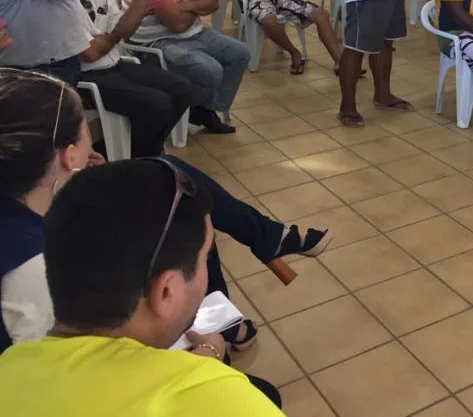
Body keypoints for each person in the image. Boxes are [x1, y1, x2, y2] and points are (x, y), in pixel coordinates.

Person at [0, 70, 329, 357]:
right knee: (179, 217)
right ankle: (250, 265)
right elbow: (76, 370)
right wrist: (206, 353)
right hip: (101, 375)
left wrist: (77, 179)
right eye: (87, 131)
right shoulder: (31, 267)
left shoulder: (24, 196)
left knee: (170, 183)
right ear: (69, 155)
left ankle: (249, 264)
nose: (92, 143)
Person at [0, 155, 286, 415]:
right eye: (204, 257)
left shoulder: (9, 368)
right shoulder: (219, 397)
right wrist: (209, 357)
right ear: (165, 292)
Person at [53, 0, 194, 157]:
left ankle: (142, 151)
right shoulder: (58, 0)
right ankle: (141, 157)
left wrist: (140, 0)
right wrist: (112, 35)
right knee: (156, 103)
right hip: (84, 77)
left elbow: (123, 31)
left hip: (114, 64)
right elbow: (90, 53)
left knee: (180, 89)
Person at [123, 0, 250, 135]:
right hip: (158, 42)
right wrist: (196, 6)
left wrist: (186, 5)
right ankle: (182, 107)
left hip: (194, 33)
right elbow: (177, 25)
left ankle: (206, 110)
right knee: (210, 71)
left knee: (240, 53)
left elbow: (213, 2)